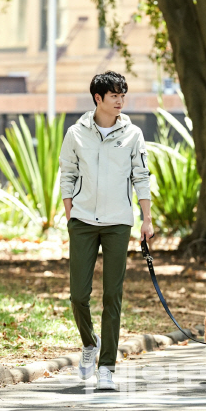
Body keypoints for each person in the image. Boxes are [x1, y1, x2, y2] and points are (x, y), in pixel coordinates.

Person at [59, 71, 154, 390]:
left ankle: (107, 368)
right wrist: (71, 213)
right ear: (98, 98)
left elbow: (141, 176)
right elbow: (67, 173)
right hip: (83, 223)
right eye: (114, 95)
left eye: (123, 96)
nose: (120, 101)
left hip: (118, 223)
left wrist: (146, 218)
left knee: (113, 295)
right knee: (78, 296)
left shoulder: (133, 134)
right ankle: (89, 344)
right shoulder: (76, 133)